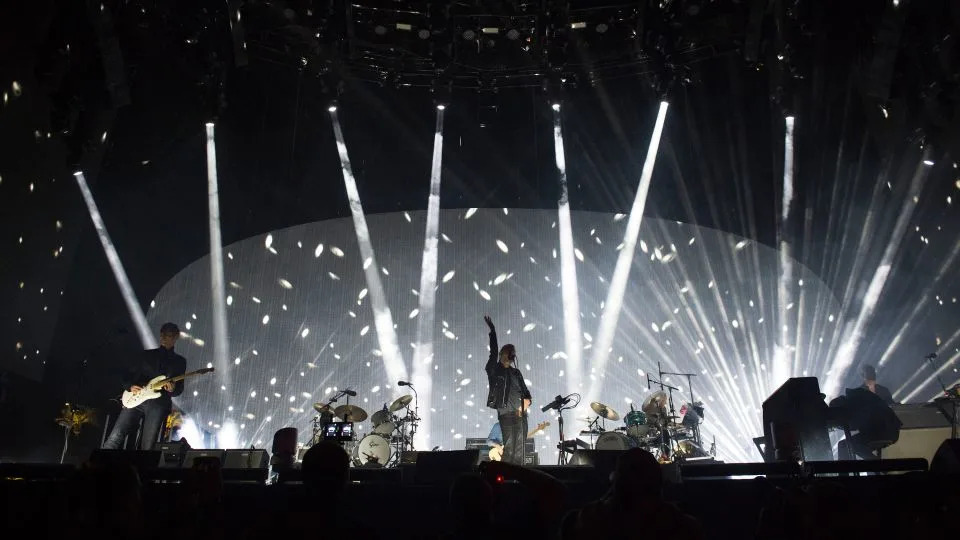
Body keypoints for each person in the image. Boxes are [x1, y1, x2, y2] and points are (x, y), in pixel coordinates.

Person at [102, 322, 186, 450]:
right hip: (136, 398)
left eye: (168, 335)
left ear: (176, 337)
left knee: (147, 445)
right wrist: (130, 386)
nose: (164, 338)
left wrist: (173, 389)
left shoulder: (179, 362)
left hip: (158, 403)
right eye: (163, 334)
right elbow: (127, 374)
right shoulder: (146, 355)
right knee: (115, 436)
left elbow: (179, 389)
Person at [484, 315, 532, 465]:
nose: (510, 354)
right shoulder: (494, 370)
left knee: (520, 452)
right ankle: (504, 480)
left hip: (521, 415)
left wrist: (523, 407)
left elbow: (528, 396)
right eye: (507, 351)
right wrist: (493, 331)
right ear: (502, 354)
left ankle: (518, 480)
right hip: (506, 414)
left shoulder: (517, 373)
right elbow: (493, 352)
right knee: (509, 450)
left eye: (512, 352)